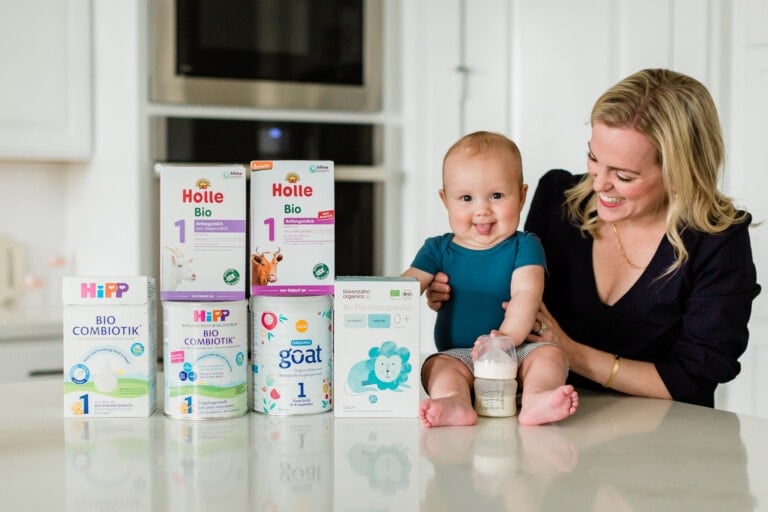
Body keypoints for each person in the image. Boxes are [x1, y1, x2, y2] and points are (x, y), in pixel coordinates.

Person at [427, 68, 761, 408]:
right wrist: (458, 289)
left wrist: (571, 353)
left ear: (680, 174)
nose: (599, 184)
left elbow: (694, 379)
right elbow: (515, 291)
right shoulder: (558, 199)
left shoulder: (717, 241)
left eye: (624, 175)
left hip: (666, 436)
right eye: (594, 158)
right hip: (552, 429)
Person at [402, 131, 579, 428]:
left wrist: (503, 341)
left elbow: (526, 294)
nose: (482, 210)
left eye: (497, 196)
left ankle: (536, 398)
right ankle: (456, 402)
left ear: (521, 196)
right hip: (461, 355)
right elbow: (403, 290)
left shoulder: (526, 246)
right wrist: (366, 298)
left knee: (550, 356)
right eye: (466, 198)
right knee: (436, 366)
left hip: (517, 352)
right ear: (445, 200)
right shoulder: (436, 249)